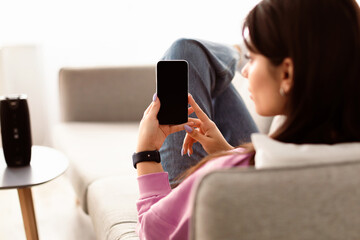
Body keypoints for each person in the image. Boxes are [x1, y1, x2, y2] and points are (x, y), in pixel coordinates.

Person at [133, 0, 360, 239]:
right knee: (189, 51)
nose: (246, 72)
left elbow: (152, 231)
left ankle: (234, 52)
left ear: (286, 74)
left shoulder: (217, 181)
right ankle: (235, 52)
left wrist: (146, 153)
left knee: (185, 51)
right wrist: (229, 152)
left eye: (253, 59)